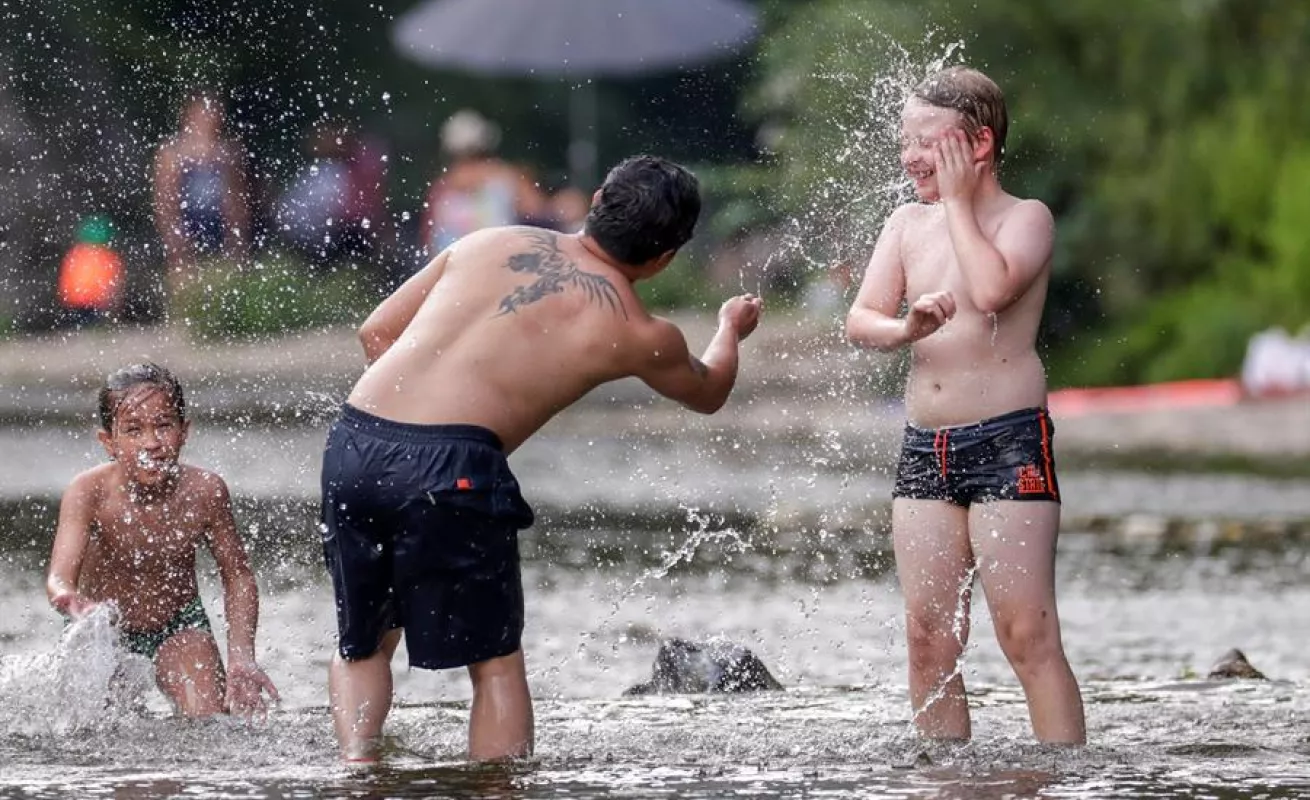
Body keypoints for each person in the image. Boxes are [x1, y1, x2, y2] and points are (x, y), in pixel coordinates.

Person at [321, 155, 763, 762]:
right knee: (495, 664)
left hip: (357, 440)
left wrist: (408, 440)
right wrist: (729, 327)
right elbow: (710, 391)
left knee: (363, 644)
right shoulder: (637, 330)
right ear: (665, 257)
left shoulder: (490, 240)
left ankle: (357, 769)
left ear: (598, 197)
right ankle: (498, 786)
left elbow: (375, 332)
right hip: (454, 464)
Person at [845, 66, 1085, 744]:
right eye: (904, 141)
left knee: (1025, 633)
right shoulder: (905, 225)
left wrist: (955, 203)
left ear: (979, 146)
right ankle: (943, 781)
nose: (908, 157)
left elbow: (990, 291)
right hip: (926, 449)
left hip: (1009, 446)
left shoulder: (1026, 218)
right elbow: (862, 318)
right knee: (928, 639)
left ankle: (1065, 781)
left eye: (926, 142)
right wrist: (904, 330)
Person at [46, 363, 279, 717]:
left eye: (164, 425)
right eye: (134, 430)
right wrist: (69, 598)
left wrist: (242, 656)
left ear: (184, 432)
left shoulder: (205, 492)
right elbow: (59, 576)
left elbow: (238, 575)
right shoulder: (88, 492)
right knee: (96, 737)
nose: (151, 443)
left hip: (180, 622)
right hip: (105, 630)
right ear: (108, 441)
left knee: (210, 720)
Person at [152, 91, 250, 299]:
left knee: (226, 273)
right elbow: (165, 199)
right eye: (204, 115)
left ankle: (223, 314)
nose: (209, 121)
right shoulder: (173, 152)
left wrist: (237, 235)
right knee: (184, 274)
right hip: (188, 219)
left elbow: (235, 199)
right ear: (189, 117)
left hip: (218, 219)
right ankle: (185, 316)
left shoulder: (228, 152)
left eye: (214, 115)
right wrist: (173, 234)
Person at [418, 109, 551, 255]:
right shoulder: (504, 176)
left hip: (457, 268)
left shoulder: (441, 188)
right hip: (495, 265)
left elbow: (428, 240)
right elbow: (540, 211)